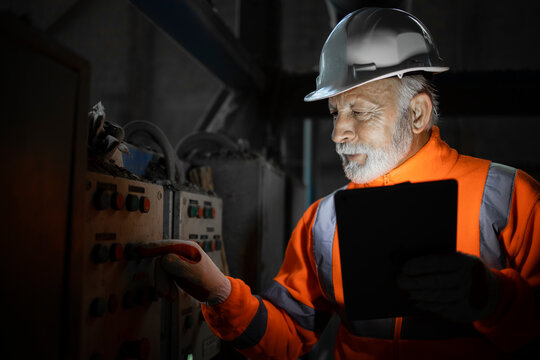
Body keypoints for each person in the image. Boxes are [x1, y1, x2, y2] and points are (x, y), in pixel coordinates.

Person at [149, 7, 540, 359]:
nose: (338, 133)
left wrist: (494, 299)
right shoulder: (325, 221)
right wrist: (220, 293)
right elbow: (286, 338)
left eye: (359, 111)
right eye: (335, 112)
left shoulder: (510, 199)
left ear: (417, 113)